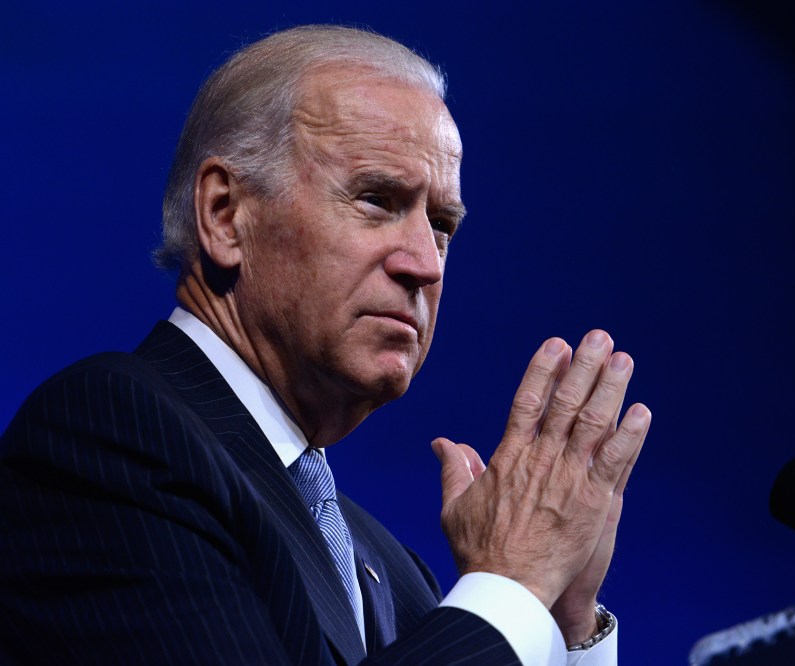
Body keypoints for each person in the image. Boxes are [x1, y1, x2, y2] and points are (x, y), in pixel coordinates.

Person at [0, 25, 649, 665]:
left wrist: (562, 626)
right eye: (376, 200)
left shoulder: (391, 570)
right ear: (226, 215)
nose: (425, 263)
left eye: (443, 225)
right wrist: (511, 585)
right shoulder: (107, 437)